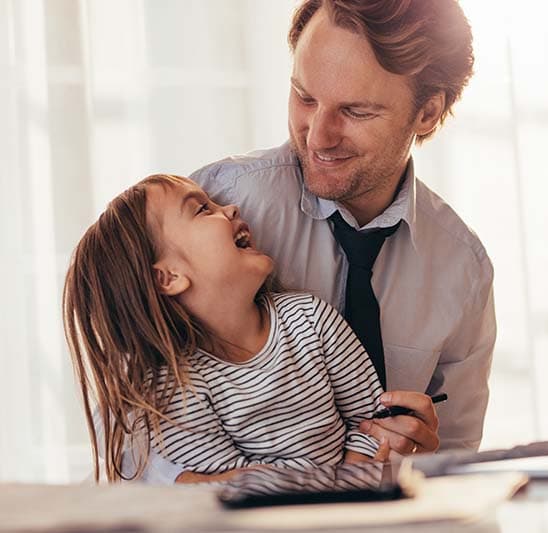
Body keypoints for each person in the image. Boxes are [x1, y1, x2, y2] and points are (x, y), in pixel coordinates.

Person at [143, 0, 496, 484]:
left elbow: (456, 466)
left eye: (355, 110)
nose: (318, 137)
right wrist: (231, 492)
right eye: (304, 97)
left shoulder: (462, 269)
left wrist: (420, 455)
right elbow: (124, 426)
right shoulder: (221, 204)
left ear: (427, 113)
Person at [63, 174, 390, 482]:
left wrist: (349, 492)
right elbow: (233, 488)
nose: (231, 209)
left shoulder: (312, 319)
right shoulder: (175, 389)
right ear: (169, 277)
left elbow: (373, 422)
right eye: (203, 209)